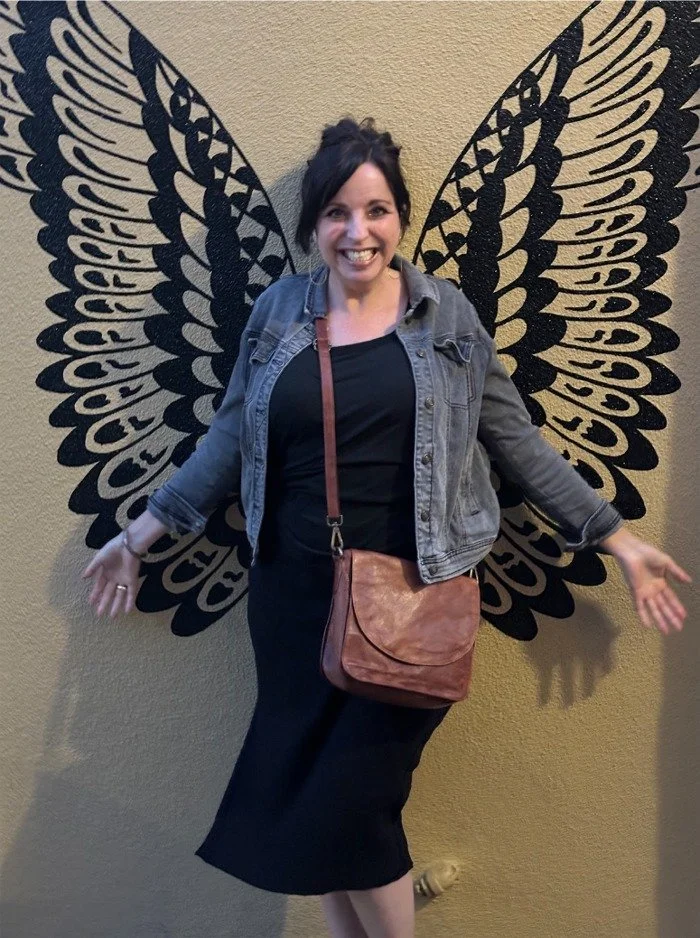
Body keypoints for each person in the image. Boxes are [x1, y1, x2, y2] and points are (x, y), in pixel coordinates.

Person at [81, 117, 691, 938]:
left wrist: (615, 538)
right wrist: (140, 535)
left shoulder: (447, 318)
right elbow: (228, 438)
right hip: (293, 599)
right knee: (316, 817)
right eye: (336, 212)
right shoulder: (277, 312)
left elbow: (514, 440)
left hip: (418, 598)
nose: (357, 231)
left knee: (355, 809)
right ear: (314, 226)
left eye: (375, 211)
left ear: (401, 219)